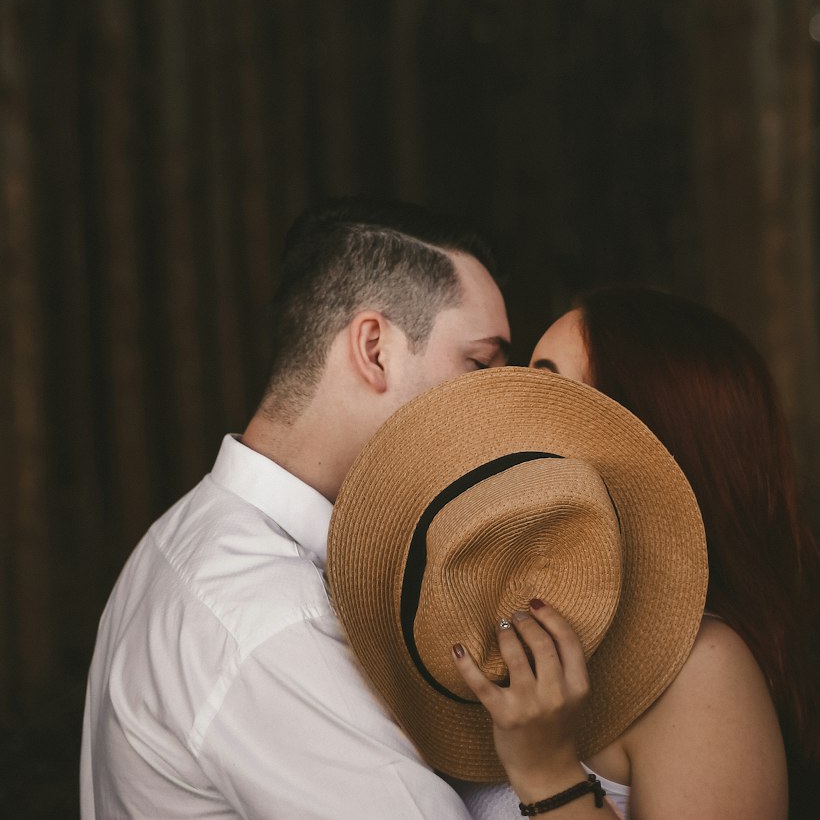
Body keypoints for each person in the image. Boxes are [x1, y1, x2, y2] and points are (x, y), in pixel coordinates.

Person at [81, 196, 523, 820]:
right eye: (478, 365)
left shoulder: (182, 533)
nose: (499, 406)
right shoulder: (270, 618)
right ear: (374, 348)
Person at [465, 285, 820, 820]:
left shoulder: (703, 668)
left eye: (547, 387)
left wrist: (546, 772)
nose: (513, 408)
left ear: (647, 430)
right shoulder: (505, 622)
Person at [325, 364, 710, 820]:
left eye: (561, 381)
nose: (524, 390)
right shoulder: (396, 692)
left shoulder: (705, 672)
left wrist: (547, 772)